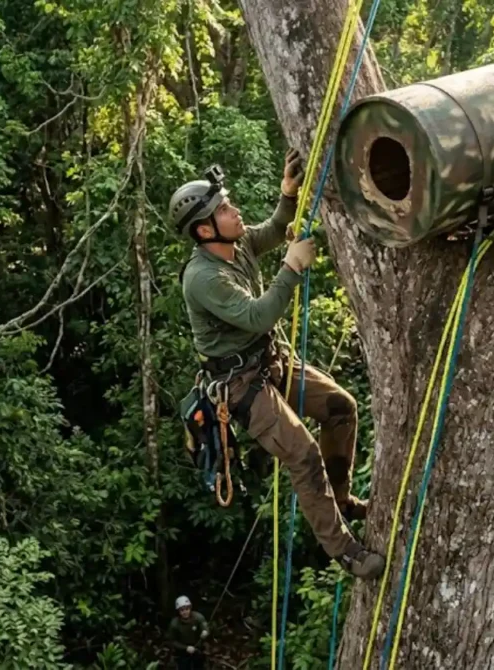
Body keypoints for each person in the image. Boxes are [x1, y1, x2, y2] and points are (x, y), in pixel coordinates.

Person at [171, 150, 385, 579]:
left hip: (269, 362)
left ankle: (341, 501)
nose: (235, 211)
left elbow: (271, 231)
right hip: (240, 384)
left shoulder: (235, 246)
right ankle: (344, 550)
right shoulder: (204, 277)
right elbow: (258, 316)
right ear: (204, 230)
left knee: (341, 408)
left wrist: (287, 195)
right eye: (225, 209)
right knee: (303, 455)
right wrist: (291, 267)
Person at [167, 595, 209, 670]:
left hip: (197, 647)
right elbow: (172, 641)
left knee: (199, 665)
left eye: (187, 609)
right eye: (182, 610)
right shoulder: (174, 623)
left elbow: (204, 625)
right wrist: (185, 648)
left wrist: (205, 631)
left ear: (190, 608)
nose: (185, 612)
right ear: (178, 611)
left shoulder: (198, 617)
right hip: (182, 650)